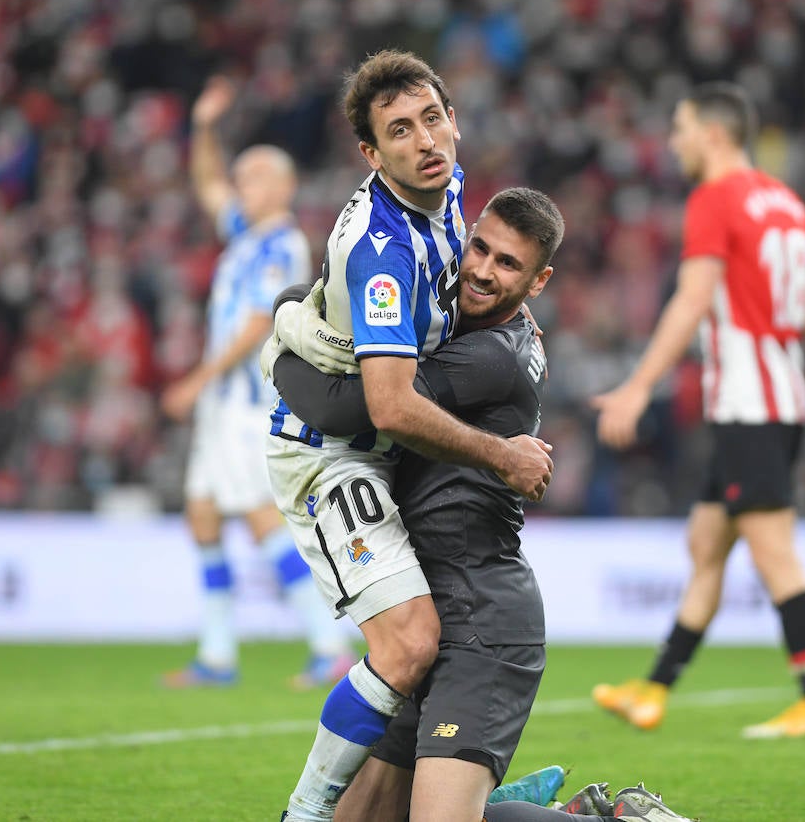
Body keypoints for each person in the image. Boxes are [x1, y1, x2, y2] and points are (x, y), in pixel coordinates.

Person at [274, 190, 694, 822]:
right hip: (421, 623)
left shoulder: (488, 356)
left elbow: (351, 406)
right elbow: (357, 289)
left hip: (480, 622)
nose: (482, 271)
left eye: (508, 265)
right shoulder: (460, 322)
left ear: (539, 281)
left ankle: (607, 821)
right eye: (480, 248)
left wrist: (280, 336)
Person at [264, 50, 554, 822]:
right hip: (331, 455)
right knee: (405, 644)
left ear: (454, 121)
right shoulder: (383, 249)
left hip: (387, 468)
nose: (424, 140)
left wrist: (289, 315)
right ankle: (303, 812)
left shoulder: (451, 190)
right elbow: (387, 408)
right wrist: (503, 453)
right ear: (372, 153)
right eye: (400, 131)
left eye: (432, 119)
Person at [590, 82, 805, 739]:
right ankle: (653, 690)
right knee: (706, 545)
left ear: (714, 134)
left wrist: (637, 385)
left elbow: (691, 300)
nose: (675, 140)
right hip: (782, 400)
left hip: (749, 406)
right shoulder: (788, 203)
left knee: (774, 554)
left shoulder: (715, 198)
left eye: (681, 128)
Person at [159, 77, 355, 689]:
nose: (238, 187)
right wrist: (203, 127)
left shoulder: (283, 244)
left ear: (281, 186)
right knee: (202, 515)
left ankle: (331, 644)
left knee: (258, 516)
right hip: (223, 405)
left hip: (248, 402)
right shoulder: (246, 232)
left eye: (251, 178)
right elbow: (206, 182)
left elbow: (254, 324)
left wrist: (197, 378)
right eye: (240, 178)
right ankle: (217, 654)